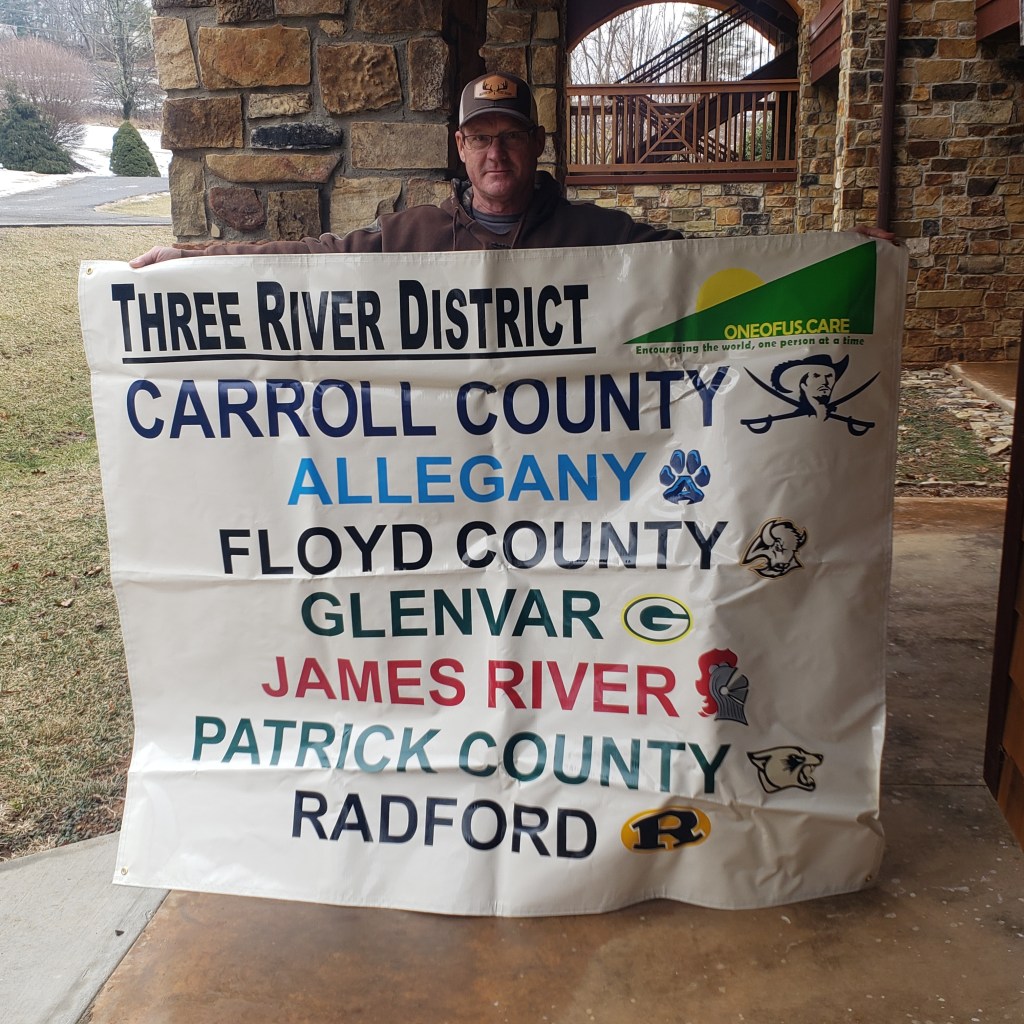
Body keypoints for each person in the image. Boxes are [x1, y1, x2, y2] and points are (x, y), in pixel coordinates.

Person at [131, 72, 681, 267]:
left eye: (512, 136)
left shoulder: (598, 235)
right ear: (460, 145)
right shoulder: (412, 235)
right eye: (481, 138)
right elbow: (314, 256)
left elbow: (704, 262)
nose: (496, 153)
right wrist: (193, 259)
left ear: (537, 142)